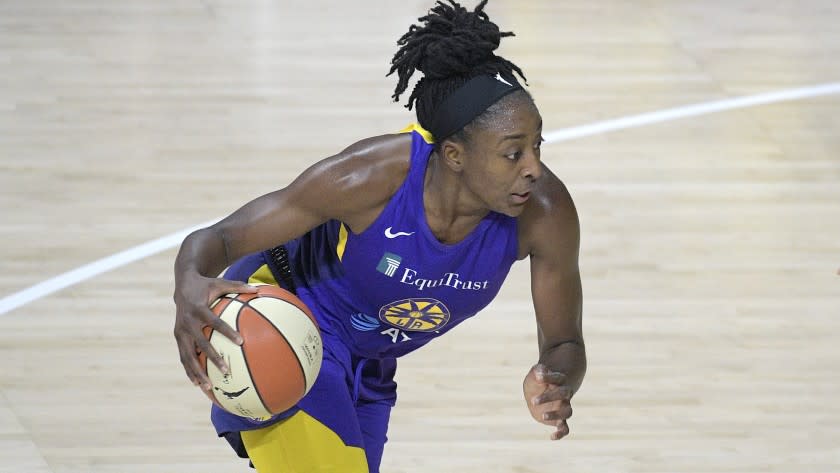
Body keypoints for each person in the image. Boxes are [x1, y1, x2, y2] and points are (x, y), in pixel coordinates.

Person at [173, 1, 586, 471]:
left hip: (370, 361)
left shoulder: (546, 214)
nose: (534, 168)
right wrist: (188, 281)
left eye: (537, 146)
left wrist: (556, 380)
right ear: (454, 155)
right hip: (288, 322)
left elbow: (565, 343)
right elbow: (221, 238)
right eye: (513, 154)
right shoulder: (369, 179)